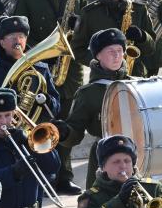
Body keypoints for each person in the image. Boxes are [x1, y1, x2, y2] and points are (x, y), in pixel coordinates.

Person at [12, 0, 87, 194]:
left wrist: (77, 29)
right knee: (41, 123)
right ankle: (43, 176)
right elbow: (20, 33)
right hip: (39, 67)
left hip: (69, 68)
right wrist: (41, 53)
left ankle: (64, 176)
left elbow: (84, 27)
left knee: (65, 124)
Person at [53, 28, 131, 189]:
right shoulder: (88, 93)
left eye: (120, 50)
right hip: (103, 160)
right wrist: (65, 132)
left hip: (135, 158)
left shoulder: (135, 85)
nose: (117, 56)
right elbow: (75, 132)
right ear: (97, 55)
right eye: (110, 51)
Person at [0, 87, 61, 208]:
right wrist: (14, 172)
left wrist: (29, 143)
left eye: (7, 115)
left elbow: (53, 166)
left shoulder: (25, 138)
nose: (4, 121)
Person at [71, 0, 156, 77]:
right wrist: (102, 61)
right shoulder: (89, 13)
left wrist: (142, 37)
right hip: (102, 78)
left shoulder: (139, 8)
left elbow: (151, 48)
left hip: (134, 75)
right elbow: (77, 49)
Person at [0, 15, 60, 124]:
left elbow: (56, 108)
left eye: (21, 36)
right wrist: (0, 100)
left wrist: (46, 101)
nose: (17, 41)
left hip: (33, 132)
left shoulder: (40, 69)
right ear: (2, 43)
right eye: (12, 37)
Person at [76, 134, 162, 208]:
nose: (123, 166)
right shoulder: (91, 197)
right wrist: (119, 201)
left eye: (127, 161)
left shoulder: (153, 187)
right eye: (116, 162)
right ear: (103, 167)